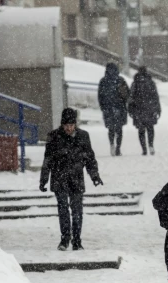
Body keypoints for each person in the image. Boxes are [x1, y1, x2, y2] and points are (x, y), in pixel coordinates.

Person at [40, 108, 104, 251]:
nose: (69, 128)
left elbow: (89, 158)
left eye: (71, 125)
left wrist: (94, 176)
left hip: (76, 178)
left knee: (77, 211)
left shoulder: (83, 136)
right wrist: (43, 179)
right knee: (63, 210)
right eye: (66, 125)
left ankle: (76, 240)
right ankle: (64, 239)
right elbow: (48, 160)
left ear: (75, 124)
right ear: (62, 124)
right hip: (59, 178)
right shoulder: (54, 137)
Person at [98, 63, 130, 156]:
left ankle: (112, 144)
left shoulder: (103, 81)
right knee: (119, 129)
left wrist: (103, 107)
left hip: (108, 109)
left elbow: (100, 96)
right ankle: (118, 148)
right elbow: (127, 94)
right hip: (120, 108)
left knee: (111, 129)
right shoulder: (120, 80)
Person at [128, 67, 161, 156]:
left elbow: (131, 97)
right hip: (150, 109)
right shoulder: (151, 83)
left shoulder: (135, 83)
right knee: (150, 128)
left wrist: (130, 109)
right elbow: (156, 97)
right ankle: (151, 145)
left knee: (141, 130)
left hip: (138, 110)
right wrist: (158, 109)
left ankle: (144, 149)